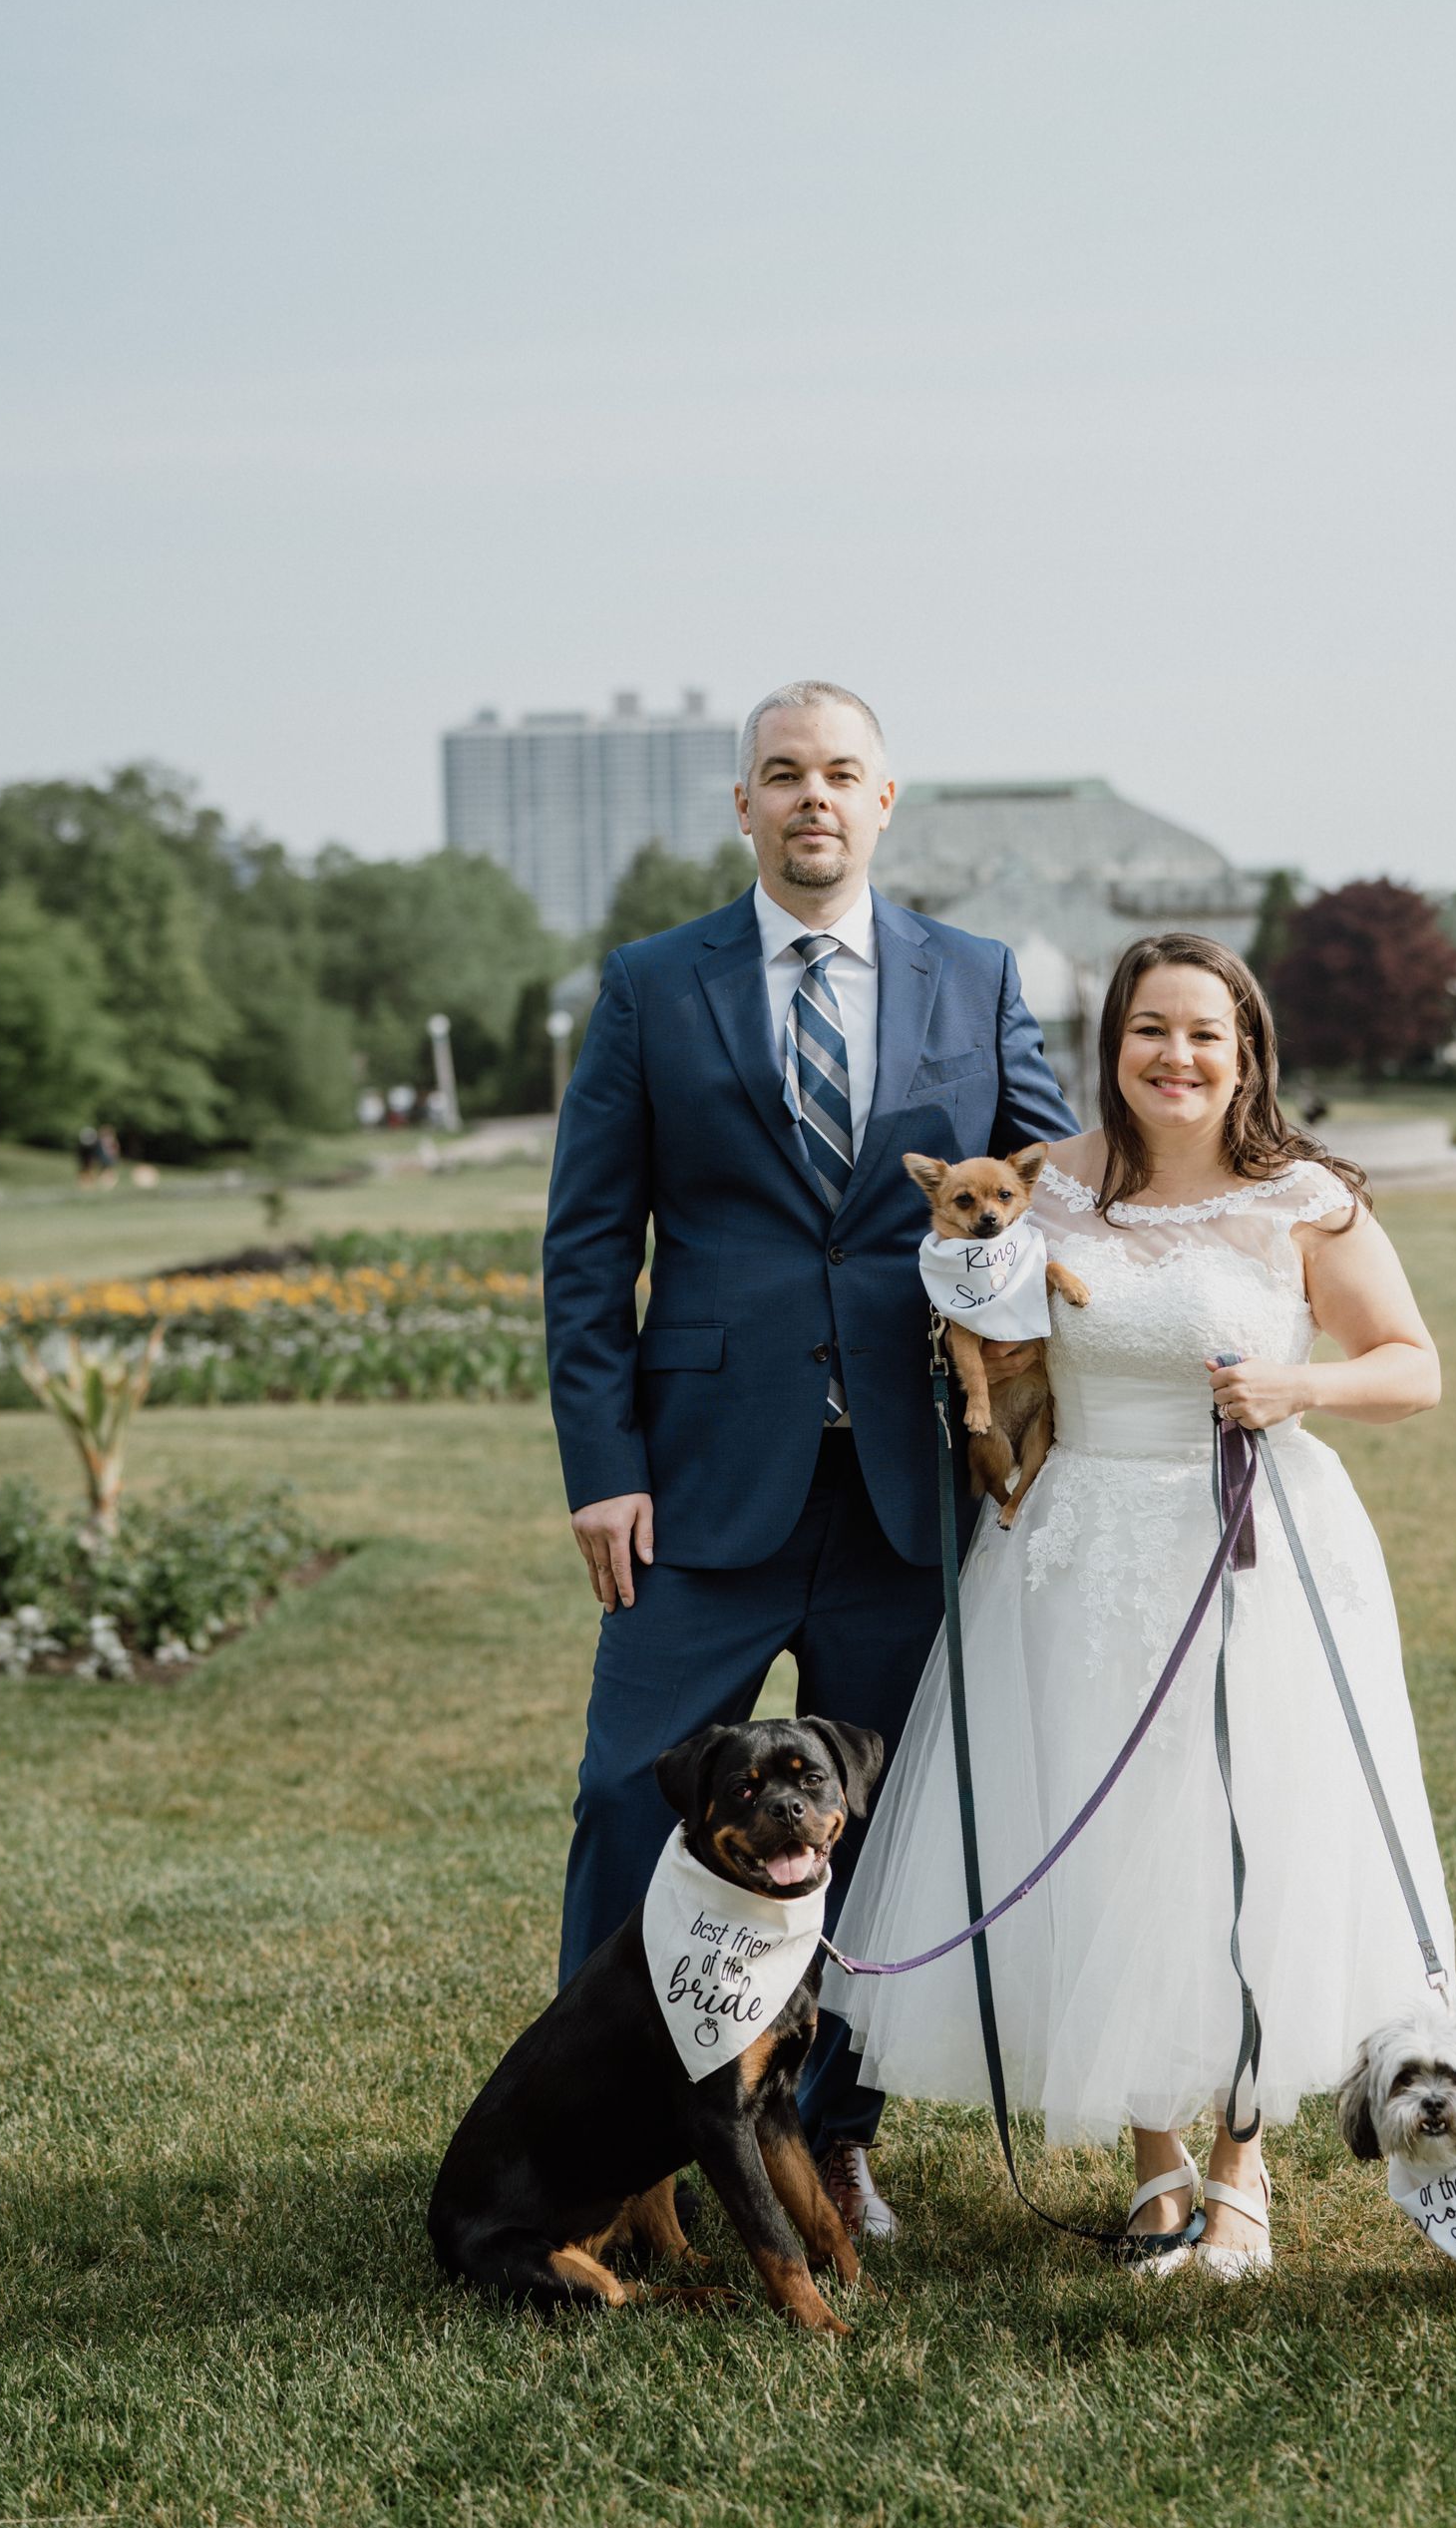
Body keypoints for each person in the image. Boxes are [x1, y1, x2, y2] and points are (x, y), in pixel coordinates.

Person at [826, 931, 1455, 2276]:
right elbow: (974, 1303)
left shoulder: (1306, 1198)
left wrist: (1300, 1385)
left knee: (1243, 1835)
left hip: (1254, 1546)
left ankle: (1241, 2160)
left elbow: (1414, 1366)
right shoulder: (1047, 1185)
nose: (1178, 1056)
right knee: (1104, 1838)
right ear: (1111, 1047)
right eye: (1150, 1030)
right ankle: (1154, 2158)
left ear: (1247, 1052)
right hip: (1075, 1553)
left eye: (1205, 1033)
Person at [544, 678, 1076, 2241]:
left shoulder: (976, 976)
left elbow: (1060, 1183)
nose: (813, 796)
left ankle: (831, 2133)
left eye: (842, 771)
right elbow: (588, 1241)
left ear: (885, 799)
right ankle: (604, 2139)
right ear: (745, 805)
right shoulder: (652, 983)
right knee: (622, 1799)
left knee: (881, 1830)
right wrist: (602, 1462)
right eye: (783, 773)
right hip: (700, 1483)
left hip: (913, 1488)